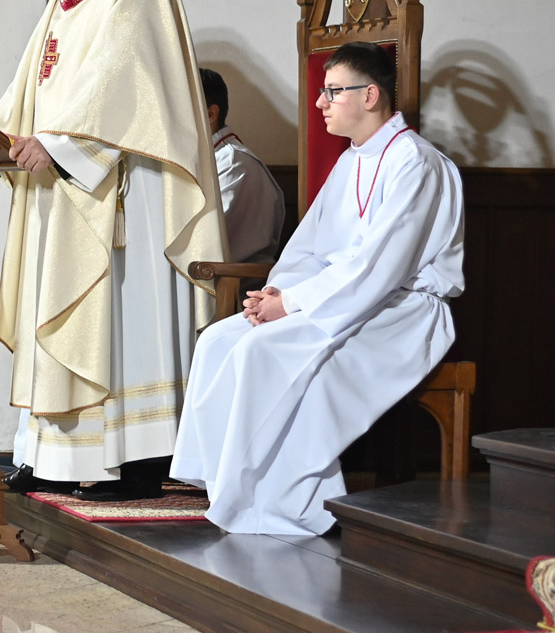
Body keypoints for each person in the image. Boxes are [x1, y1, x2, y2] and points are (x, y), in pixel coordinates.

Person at [0, 0, 226, 501]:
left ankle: (142, 461)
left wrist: (63, 145)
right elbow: (31, 82)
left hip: (129, 188)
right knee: (66, 316)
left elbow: (125, 81)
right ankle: (52, 456)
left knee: (127, 322)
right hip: (65, 186)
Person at [170, 42, 464, 535]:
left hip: (404, 311)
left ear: (370, 95)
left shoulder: (415, 163)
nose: (320, 103)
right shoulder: (354, 160)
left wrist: (294, 304)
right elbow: (308, 247)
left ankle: (288, 504)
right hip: (347, 298)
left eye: (332, 92)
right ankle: (227, 483)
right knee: (220, 339)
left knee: (262, 353)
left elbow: (381, 265)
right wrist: (276, 296)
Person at [200, 67, 284, 266]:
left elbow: (207, 241)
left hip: (235, 288)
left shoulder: (233, 164)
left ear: (211, 114)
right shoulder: (207, 157)